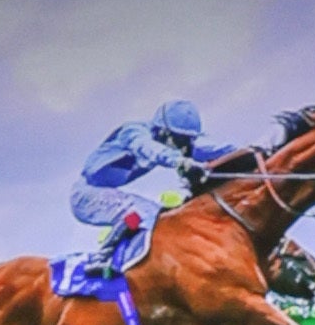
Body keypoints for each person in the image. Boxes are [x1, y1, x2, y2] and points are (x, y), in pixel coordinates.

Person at [57, 100, 207, 296]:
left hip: (104, 192)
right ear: (163, 131)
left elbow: (208, 150)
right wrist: (179, 161)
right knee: (140, 212)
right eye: (180, 140)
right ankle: (102, 258)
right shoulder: (134, 132)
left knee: (159, 216)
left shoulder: (166, 142)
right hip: (86, 194)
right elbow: (149, 149)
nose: (184, 146)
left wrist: (249, 154)